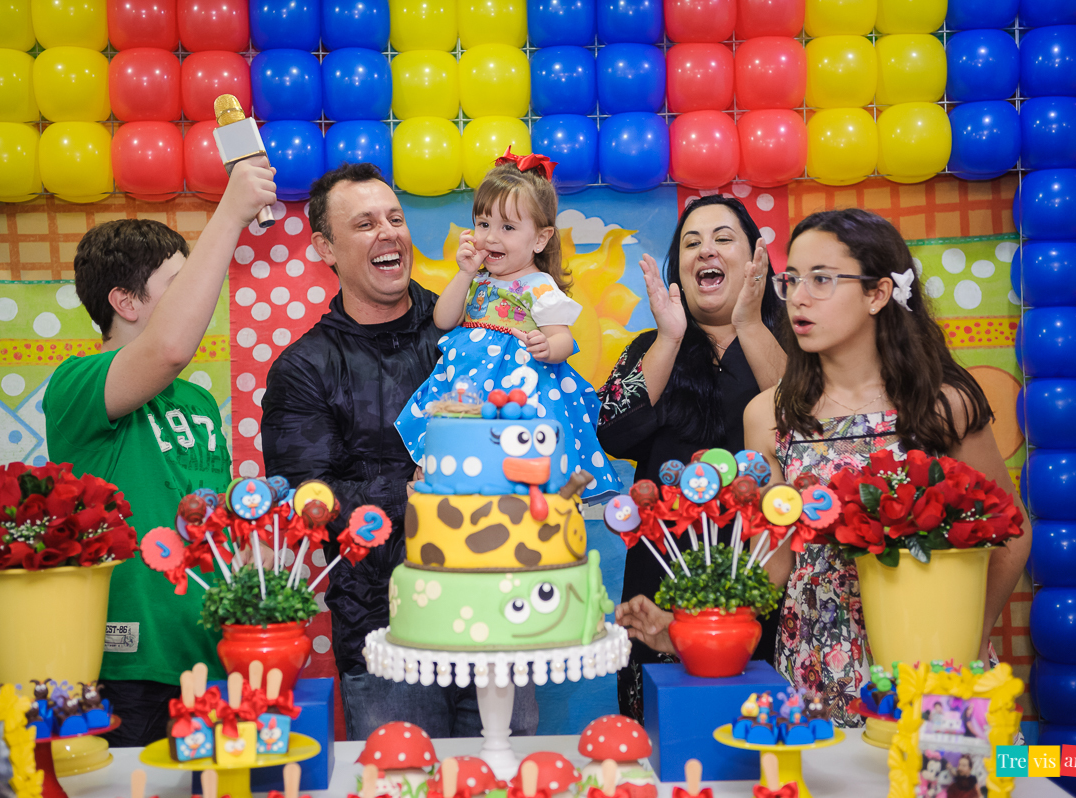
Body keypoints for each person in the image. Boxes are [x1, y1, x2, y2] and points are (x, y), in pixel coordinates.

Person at [260, 162, 537, 740]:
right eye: (364, 224)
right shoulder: (302, 370)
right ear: (325, 249)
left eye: (395, 218)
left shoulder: (469, 325)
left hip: (498, 614)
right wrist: (413, 493)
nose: (388, 233)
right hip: (386, 635)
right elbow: (304, 500)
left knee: (508, 776)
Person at [740, 208, 1030, 724]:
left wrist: (969, 633)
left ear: (878, 293)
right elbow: (776, 565)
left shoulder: (943, 404)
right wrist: (701, 606)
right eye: (792, 280)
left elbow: (1011, 530)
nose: (799, 297)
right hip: (816, 667)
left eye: (822, 279)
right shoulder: (769, 414)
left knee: (961, 779)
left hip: (932, 662)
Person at [45, 160, 277, 746]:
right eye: (180, 282)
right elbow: (169, 347)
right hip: (129, 667)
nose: (201, 295)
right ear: (124, 301)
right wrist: (230, 212)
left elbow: (218, 519)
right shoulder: (77, 384)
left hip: (210, 658)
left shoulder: (198, 403)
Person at [599, 195, 786, 721]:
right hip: (661, 584)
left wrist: (750, 325)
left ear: (756, 258)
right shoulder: (649, 346)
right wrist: (669, 336)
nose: (706, 250)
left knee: (762, 751)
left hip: (767, 579)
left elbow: (810, 426)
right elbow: (612, 430)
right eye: (691, 242)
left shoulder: (792, 342)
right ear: (678, 266)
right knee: (667, 742)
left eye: (723, 238)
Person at [394, 150, 620, 500]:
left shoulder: (538, 285)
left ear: (540, 239)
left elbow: (562, 340)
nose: (491, 237)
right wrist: (465, 273)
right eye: (483, 224)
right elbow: (444, 320)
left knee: (516, 466)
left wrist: (547, 348)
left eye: (508, 227)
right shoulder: (477, 279)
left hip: (520, 391)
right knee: (465, 461)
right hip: (467, 386)